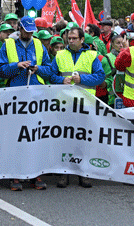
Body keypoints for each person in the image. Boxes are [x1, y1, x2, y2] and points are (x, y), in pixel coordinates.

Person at [0, 16, 57, 191]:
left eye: (31, 31)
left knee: (35, 135)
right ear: (19, 28)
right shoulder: (8, 45)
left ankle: (35, 174)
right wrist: (16, 65)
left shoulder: (38, 45)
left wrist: (38, 69)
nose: (28, 34)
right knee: (16, 136)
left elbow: (50, 70)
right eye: (26, 30)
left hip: (36, 97)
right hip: (15, 97)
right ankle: (15, 175)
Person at [49, 26, 103, 188]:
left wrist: (83, 79)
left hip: (85, 105)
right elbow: (51, 75)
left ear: (81, 40)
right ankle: (63, 173)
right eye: (69, 38)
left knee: (83, 141)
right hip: (64, 105)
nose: (70, 41)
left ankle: (83, 173)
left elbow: (100, 77)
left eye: (74, 38)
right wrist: (60, 80)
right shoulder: (60, 55)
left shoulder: (92, 56)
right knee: (64, 140)